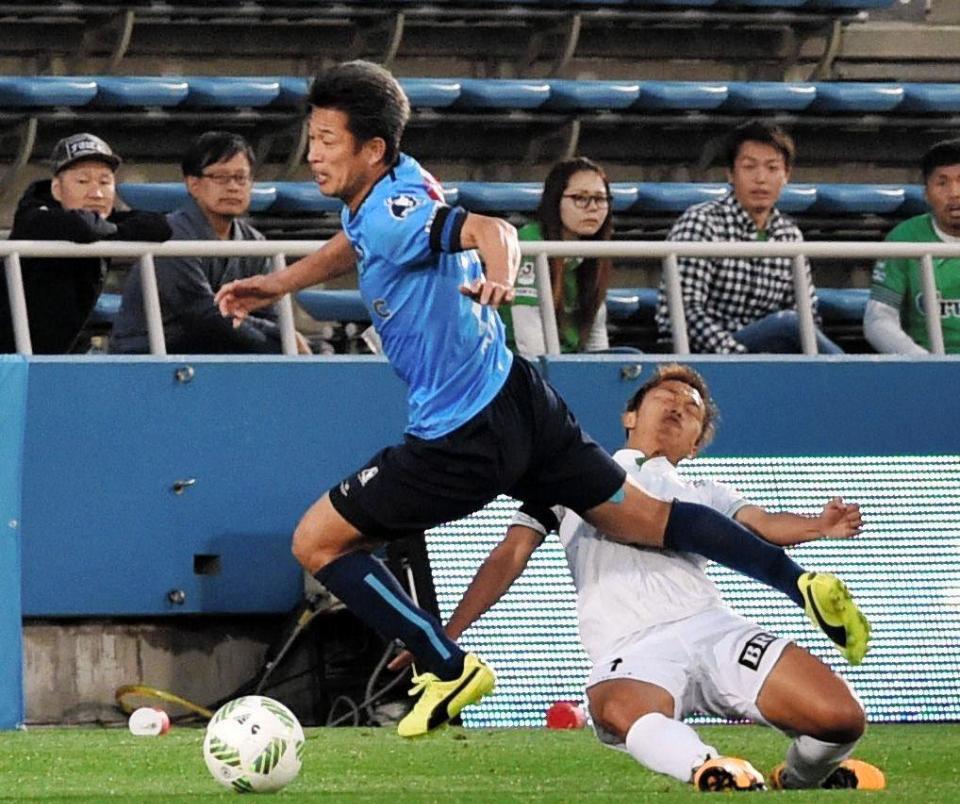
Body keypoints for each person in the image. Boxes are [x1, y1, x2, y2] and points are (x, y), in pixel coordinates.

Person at [215, 61, 869, 738]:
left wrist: (501, 274)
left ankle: (444, 666)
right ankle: (798, 583)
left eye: (326, 139)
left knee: (317, 540)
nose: (312, 152)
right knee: (642, 516)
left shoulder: (395, 211)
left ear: (371, 149)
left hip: (461, 434)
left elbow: (487, 230)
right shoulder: (397, 183)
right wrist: (277, 285)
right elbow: (358, 240)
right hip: (523, 398)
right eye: (312, 136)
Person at [422, 364, 883, 792]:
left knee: (842, 719)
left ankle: (798, 779)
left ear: (696, 444)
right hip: (630, 646)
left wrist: (818, 526)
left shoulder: (706, 493)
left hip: (713, 627)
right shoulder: (570, 476)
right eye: (666, 395)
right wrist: (447, 635)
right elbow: (510, 554)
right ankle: (708, 767)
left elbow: (763, 526)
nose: (678, 406)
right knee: (618, 708)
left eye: (692, 410)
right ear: (629, 416)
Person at [110, 131, 309, 354]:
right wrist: (282, 340)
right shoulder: (170, 236)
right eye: (220, 178)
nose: (233, 187)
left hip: (219, 348)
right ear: (193, 184)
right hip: (150, 355)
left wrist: (285, 338)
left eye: (241, 178)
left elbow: (269, 312)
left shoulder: (256, 242)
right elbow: (205, 315)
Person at [655, 120, 842, 355]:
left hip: (764, 353)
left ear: (786, 175)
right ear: (730, 173)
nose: (761, 178)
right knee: (788, 323)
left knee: (796, 323)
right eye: (749, 167)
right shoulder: (701, 222)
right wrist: (737, 356)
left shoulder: (789, 235)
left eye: (772, 168)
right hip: (705, 352)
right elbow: (684, 311)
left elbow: (807, 312)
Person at [0, 132, 171, 353]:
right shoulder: (36, 216)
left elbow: (160, 226)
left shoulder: (105, 221)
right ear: (57, 190)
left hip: (54, 353)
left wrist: (111, 230)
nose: (97, 193)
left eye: (105, 181)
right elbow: (82, 227)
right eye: (82, 181)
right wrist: (114, 231)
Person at [503, 157, 611, 356]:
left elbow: (596, 336)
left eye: (600, 198)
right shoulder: (530, 244)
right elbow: (529, 342)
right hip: (521, 364)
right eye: (580, 197)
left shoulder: (595, 250)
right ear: (555, 200)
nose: (593, 207)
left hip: (572, 364)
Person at [865, 137, 960, 354]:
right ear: (926, 193)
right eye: (942, 183)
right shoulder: (904, 237)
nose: (954, 193)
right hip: (928, 368)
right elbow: (878, 320)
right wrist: (924, 363)